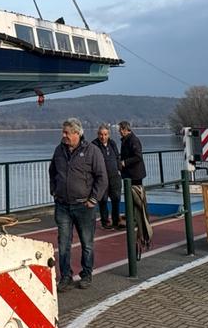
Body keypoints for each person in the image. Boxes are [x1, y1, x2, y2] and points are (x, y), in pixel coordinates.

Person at [49, 117, 107, 290]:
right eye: (63, 132)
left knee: (87, 243)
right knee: (63, 243)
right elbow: (52, 171)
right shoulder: (59, 151)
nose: (63, 135)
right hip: (63, 205)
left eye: (66, 132)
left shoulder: (92, 151)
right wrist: (54, 190)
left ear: (76, 133)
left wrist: (93, 199)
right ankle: (65, 276)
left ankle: (86, 274)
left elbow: (101, 177)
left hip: (84, 206)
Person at [118, 121, 151, 249]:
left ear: (126, 129)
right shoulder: (126, 140)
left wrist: (125, 163)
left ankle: (138, 219)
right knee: (131, 198)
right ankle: (132, 217)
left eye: (121, 129)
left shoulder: (133, 140)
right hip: (129, 174)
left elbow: (138, 156)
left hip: (135, 174)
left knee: (138, 198)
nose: (120, 131)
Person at [94, 124, 122, 228]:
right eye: (101, 134)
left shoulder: (112, 143)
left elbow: (117, 157)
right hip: (102, 178)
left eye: (105, 134)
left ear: (108, 135)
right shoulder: (94, 145)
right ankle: (105, 222)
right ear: (98, 134)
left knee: (116, 199)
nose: (103, 137)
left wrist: (120, 170)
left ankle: (116, 221)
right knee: (103, 200)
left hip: (114, 176)